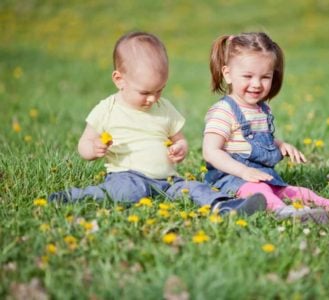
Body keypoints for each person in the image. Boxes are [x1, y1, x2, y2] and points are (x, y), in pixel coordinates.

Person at [49, 31, 267, 216]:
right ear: (119, 80)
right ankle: (75, 197)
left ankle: (226, 206)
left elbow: (179, 139)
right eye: (145, 92)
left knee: (194, 188)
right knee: (125, 193)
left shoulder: (164, 108)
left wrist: (180, 148)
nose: (153, 98)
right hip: (128, 175)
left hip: (168, 179)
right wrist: (92, 148)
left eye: (159, 90)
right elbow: (84, 143)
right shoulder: (107, 109)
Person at [202, 32, 329, 223]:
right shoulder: (224, 111)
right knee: (262, 192)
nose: (256, 84)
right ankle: (286, 214)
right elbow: (211, 151)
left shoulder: (261, 109)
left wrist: (280, 145)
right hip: (231, 180)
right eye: (248, 76)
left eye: (265, 77)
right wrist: (243, 172)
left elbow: (252, 141)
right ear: (228, 74)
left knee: (299, 192)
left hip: (262, 176)